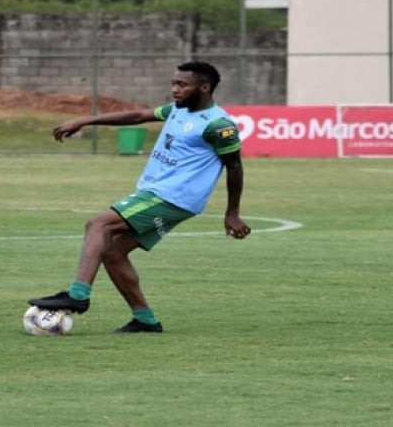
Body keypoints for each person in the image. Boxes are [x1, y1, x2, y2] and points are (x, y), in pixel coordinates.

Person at [27, 61, 251, 333]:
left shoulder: (218, 125)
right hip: (159, 194)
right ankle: (145, 320)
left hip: (172, 197)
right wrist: (87, 119)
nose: (174, 90)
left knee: (98, 225)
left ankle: (78, 295)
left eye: (182, 85)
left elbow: (235, 167)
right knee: (112, 251)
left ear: (204, 88)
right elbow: (137, 116)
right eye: (174, 83)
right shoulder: (176, 112)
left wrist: (232, 213)